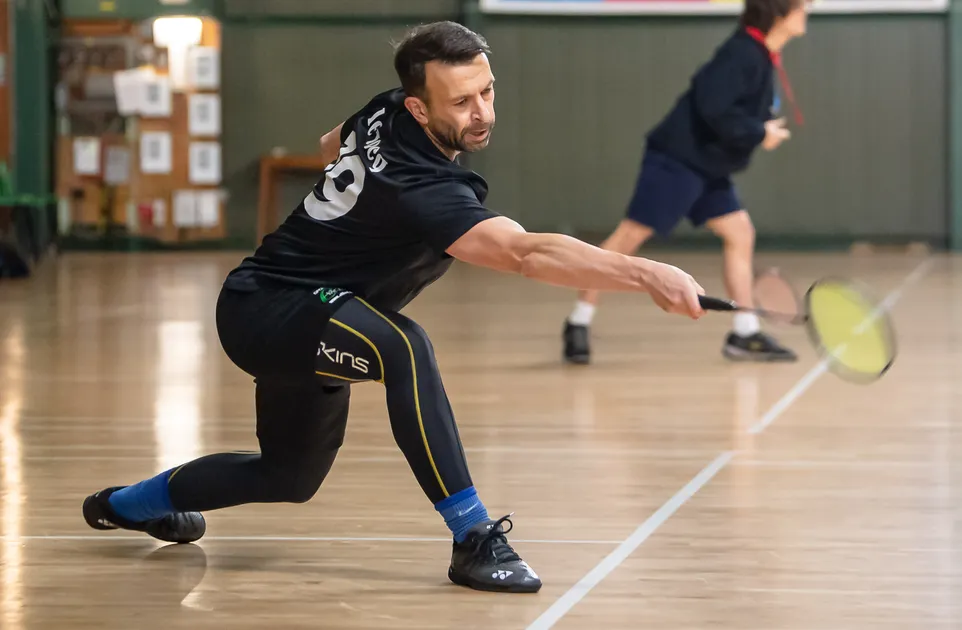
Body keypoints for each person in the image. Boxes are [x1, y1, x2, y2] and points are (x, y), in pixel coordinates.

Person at [80, 21, 708, 595]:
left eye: (487, 92)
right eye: (461, 103)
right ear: (419, 105)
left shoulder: (385, 108)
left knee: (288, 478)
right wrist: (643, 270)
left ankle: (125, 504)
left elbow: (332, 142)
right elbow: (523, 255)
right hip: (267, 306)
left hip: (312, 312)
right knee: (404, 347)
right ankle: (472, 537)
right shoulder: (423, 188)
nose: (482, 113)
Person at [562, 0, 811, 365]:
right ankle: (578, 320)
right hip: (677, 161)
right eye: (802, 7)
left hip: (708, 165)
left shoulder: (760, 54)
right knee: (628, 239)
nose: (807, 13)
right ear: (779, 14)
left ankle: (744, 333)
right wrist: (759, 133)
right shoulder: (742, 52)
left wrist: (760, 127)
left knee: (740, 233)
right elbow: (714, 107)